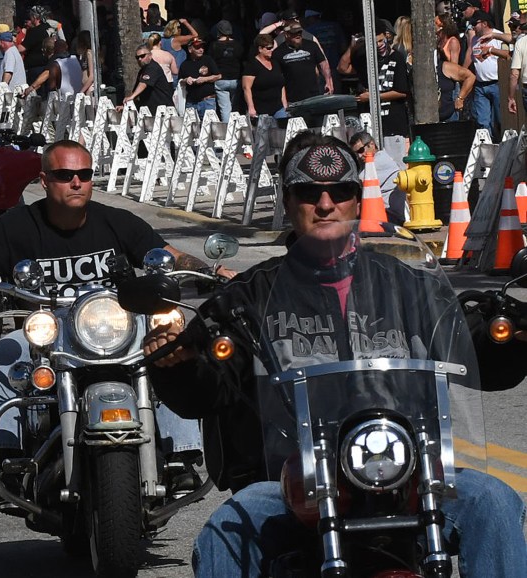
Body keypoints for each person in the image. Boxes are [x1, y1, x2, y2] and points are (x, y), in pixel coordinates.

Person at [143, 131, 527, 578]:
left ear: (356, 199)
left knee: (495, 502)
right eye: (309, 192)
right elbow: (206, 392)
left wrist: (510, 337)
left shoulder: (409, 286)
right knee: (224, 533)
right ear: (288, 202)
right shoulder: (247, 300)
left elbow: (474, 351)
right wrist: (178, 364)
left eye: (340, 190)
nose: (325, 204)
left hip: (407, 472)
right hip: (293, 482)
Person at [0, 139, 234, 497]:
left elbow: (168, 255)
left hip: (120, 327)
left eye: (84, 174)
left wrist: (210, 270)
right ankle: (3, 457)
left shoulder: (116, 222)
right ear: (44, 180)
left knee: (168, 344)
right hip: (53, 332)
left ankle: (182, 457)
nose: (76, 182)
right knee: (5, 352)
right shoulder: (17, 226)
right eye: (65, 175)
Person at [338, 19, 410, 138]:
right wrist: (352, 47)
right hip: (369, 122)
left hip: (393, 121)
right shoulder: (364, 58)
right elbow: (342, 68)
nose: (379, 45)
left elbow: (402, 92)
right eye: (373, 43)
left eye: (381, 40)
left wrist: (372, 97)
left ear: (386, 36)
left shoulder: (397, 58)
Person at [348, 130, 405, 224]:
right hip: (381, 215)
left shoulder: (380, 161)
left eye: (361, 150)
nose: (359, 155)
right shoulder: (369, 161)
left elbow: (358, 181)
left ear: (372, 144)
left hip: (389, 216)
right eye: (356, 153)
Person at [469, 11, 508, 140]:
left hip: (497, 83)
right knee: (482, 121)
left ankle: (501, 143)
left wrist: (491, 50)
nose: (472, 26)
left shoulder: (498, 36)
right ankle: (486, 146)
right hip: (480, 85)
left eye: (475, 23)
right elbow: (472, 59)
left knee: (499, 119)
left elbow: (508, 54)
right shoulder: (474, 39)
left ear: (485, 23)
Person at [272, 20, 331, 105]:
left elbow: (323, 63)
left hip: (314, 95)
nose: (298, 35)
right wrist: (283, 101)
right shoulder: (278, 52)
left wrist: (328, 81)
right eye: (295, 33)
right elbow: (278, 78)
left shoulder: (312, 45)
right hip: (292, 98)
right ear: (287, 34)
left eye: (300, 32)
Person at [242, 34, 287, 120]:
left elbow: (281, 84)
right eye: (268, 48)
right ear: (260, 49)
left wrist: (284, 103)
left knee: (282, 130)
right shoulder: (252, 65)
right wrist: (251, 107)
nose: (271, 50)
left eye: (272, 48)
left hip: (278, 107)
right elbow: (246, 88)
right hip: (260, 109)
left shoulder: (275, 63)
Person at [123, 43, 174, 114]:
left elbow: (143, 84)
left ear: (150, 55)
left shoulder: (153, 67)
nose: (140, 59)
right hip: (149, 111)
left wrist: (132, 97)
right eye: (137, 57)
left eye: (142, 56)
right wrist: (126, 105)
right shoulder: (142, 71)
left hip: (163, 110)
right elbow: (135, 92)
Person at [209, 20, 242, 121]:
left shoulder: (214, 45)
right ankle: (237, 131)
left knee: (225, 109)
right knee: (235, 108)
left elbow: (210, 61)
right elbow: (242, 59)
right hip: (236, 78)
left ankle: (227, 131)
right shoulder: (238, 44)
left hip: (221, 79)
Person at [178, 38, 220, 117]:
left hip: (207, 100)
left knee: (208, 127)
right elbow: (180, 80)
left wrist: (205, 79)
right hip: (191, 102)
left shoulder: (208, 59)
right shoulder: (185, 64)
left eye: (202, 47)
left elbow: (218, 76)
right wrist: (186, 80)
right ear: (190, 49)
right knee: (191, 127)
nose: (201, 50)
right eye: (197, 47)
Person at [19, 6, 55, 83]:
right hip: (49, 65)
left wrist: (13, 44)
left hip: (36, 68)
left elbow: (22, 48)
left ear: (35, 17)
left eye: (31, 16)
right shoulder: (48, 27)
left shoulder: (35, 31)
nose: (30, 18)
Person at [72, 30, 95, 94]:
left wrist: (82, 91)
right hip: (85, 87)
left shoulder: (89, 53)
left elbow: (92, 76)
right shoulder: (83, 55)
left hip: (89, 88)